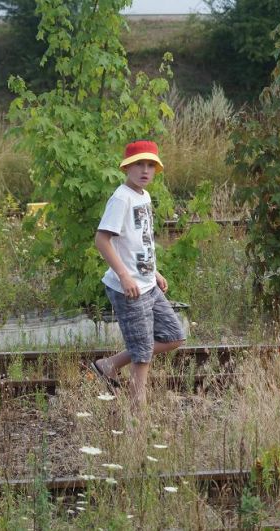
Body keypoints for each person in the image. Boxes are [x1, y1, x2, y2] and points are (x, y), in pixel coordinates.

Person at [91, 140, 185, 409]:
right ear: (127, 167)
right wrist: (124, 275)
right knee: (142, 352)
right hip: (128, 288)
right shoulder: (121, 198)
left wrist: (154, 271)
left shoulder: (143, 196)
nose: (145, 170)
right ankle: (137, 412)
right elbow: (102, 239)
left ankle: (109, 365)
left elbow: (140, 240)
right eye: (139, 164)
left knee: (173, 336)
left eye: (150, 165)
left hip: (147, 283)